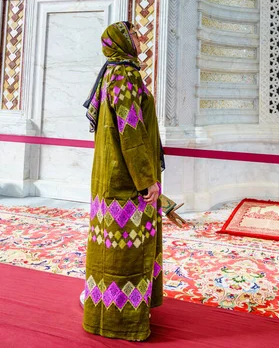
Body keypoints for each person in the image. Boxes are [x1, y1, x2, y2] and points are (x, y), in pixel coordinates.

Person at [82, 21, 164, 342]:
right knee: (127, 249)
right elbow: (132, 134)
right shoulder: (126, 77)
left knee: (109, 246)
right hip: (126, 182)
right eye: (133, 35)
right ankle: (123, 321)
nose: (138, 39)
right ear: (120, 41)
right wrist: (147, 181)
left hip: (108, 178)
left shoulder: (109, 76)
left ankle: (102, 308)